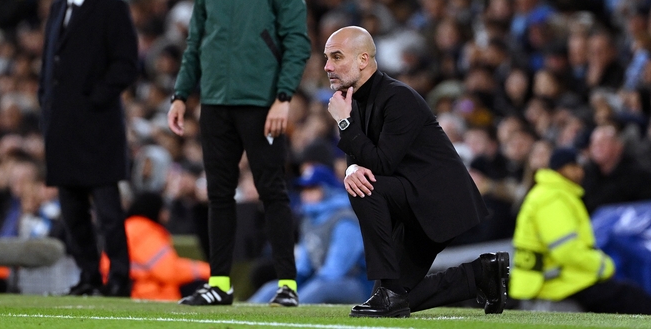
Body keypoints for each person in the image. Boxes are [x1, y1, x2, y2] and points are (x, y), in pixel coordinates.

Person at [167, 0, 311, 307]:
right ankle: (220, 284)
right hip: (214, 103)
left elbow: (298, 43)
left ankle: (288, 285)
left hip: (261, 104)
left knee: (272, 192)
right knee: (218, 194)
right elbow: (195, 43)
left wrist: (283, 98)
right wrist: (181, 94)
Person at [323, 26, 509, 318]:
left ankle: (389, 290)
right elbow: (358, 160)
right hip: (411, 202)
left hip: (437, 203)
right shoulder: (352, 103)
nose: (327, 66)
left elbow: (381, 164)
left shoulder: (398, 97)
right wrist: (351, 169)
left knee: (365, 188)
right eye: (327, 58)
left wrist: (345, 126)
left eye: (336, 57)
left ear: (362, 60)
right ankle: (482, 275)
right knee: (393, 301)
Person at [38, 0, 139, 297]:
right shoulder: (56, 9)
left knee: (109, 213)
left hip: (97, 129)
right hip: (62, 129)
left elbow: (127, 64)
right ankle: (87, 276)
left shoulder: (112, 7)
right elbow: (49, 65)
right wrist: (45, 103)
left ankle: (119, 279)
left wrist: (93, 99)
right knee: (72, 212)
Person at [511, 147, 651, 314]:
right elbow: (566, 250)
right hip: (554, 283)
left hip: (559, 278)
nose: (580, 172)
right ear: (561, 169)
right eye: (574, 167)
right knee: (632, 299)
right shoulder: (552, 198)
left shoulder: (552, 193)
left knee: (628, 294)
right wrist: (603, 266)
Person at [248, 165, 370, 304]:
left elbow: (336, 270)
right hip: (322, 280)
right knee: (276, 287)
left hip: (358, 284)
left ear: (327, 189)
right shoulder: (308, 219)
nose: (305, 194)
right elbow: (303, 267)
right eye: (304, 189)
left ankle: (288, 317)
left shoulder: (345, 220)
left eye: (312, 188)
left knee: (319, 288)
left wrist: (301, 289)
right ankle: (242, 316)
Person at [100, 192, 210, 301]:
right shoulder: (144, 231)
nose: (167, 215)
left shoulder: (129, 227)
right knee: (203, 287)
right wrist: (209, 271)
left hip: (126, 288)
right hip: (144, 292)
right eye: (164, 210)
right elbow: (168, 271)